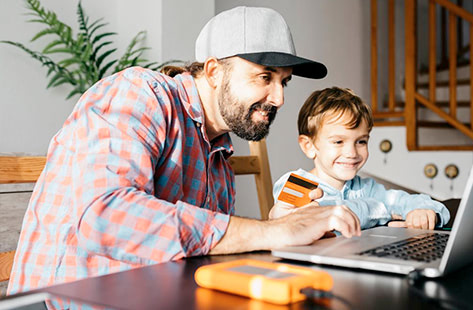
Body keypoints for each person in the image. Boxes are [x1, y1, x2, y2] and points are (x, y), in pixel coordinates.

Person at [8, 7, 361, 295]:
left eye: (283, 82)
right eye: (264, 76)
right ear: (213, 71)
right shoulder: (138, 94)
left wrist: (282, 229)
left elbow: (200, 255)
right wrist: (269, 234)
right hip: (66, 303)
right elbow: (103, 216)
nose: (280, 98)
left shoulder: (218, 151)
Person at [271, 87, 450, 230]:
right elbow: (312, 218)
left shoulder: (366, 188)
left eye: (361, 141)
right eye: (339, 141)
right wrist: (379, 209)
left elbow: (408, 201)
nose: (352, 153)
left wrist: (426, 212)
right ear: (308, 146)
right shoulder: (296, 184)